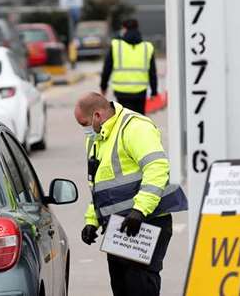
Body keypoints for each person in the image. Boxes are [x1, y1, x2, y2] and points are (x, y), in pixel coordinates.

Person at [74, 92, 187, 296]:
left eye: (85, 124)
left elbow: (157, 168)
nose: (85, 130)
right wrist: (92, 221)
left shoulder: (134, 127)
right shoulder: (95, 139)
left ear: (98, 116)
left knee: (140, 286)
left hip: (148, 221)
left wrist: (139, 210)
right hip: (119, 227)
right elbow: (99, 186)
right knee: (122, 287)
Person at [100, 19, 158, 114]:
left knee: (124, 119)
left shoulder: (116, 45)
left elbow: (107, 68)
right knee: (139, 120)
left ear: (125, 29)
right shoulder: (147, 47)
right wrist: (154, 91)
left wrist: (103, 86)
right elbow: (152, 72)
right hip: (140, 92)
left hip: (121, 92)